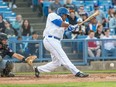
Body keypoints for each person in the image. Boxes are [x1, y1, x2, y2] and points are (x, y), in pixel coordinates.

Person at [33, 7, 89, 78]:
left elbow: (69, 28)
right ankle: (77, 72)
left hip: (56, 41)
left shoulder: (65, 23)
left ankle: (38, 69)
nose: (66, 17)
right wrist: (70, 25)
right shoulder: (53, 15)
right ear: (61, 14)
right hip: (50, 39)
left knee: (56, 63)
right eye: (65, 15)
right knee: (63, 57)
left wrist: (74, 27)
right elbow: (59, 23)